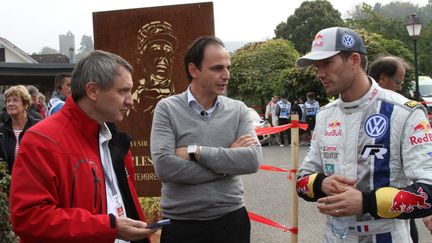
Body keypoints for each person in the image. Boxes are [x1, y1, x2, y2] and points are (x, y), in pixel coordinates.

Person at [295, 27, 432, 242]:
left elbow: (429, 192)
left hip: (387, 235)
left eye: (327, 63)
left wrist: (367, 202)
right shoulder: (325, 116)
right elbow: (301, 181)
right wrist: (321, 183)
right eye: (317, 66)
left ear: (354, 60)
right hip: (334, 236)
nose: (320, 73)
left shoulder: (405, 112)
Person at [10, 50, 156, 242]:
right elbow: (28, 219)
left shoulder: (115, 141)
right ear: (92, 91)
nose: (131, 100)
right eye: (123, 91)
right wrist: (108, 227)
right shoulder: (41, 142)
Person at [150, 36, 262, 243]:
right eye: (217, 68)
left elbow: (252, 160)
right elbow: (165, 167)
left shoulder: (238, 110)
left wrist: (196, 152)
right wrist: (229, 158)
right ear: (194, 70)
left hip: (231, 221)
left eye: (228, 67)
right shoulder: (167, 108)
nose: (226, 75)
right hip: (182, 225)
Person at [369, 55, 419, 242]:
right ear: (382, 78)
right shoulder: (345, 112)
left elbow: (420, 163)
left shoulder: (405, 112)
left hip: (398, 211)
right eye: (398, 82)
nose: (400, 87)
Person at [131, 20, 178, 115]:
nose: (163, 59)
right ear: (141, 58)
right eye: (156, 52)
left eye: (168, 54)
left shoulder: (180, 100)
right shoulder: (133, 99)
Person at [0, 85, 39, 174]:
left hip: (32, 183)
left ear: (25, 104)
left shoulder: (38, 127)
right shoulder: (1, 131)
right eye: (8, 101)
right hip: (8, 184)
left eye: (15, 100)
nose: (10, 103)